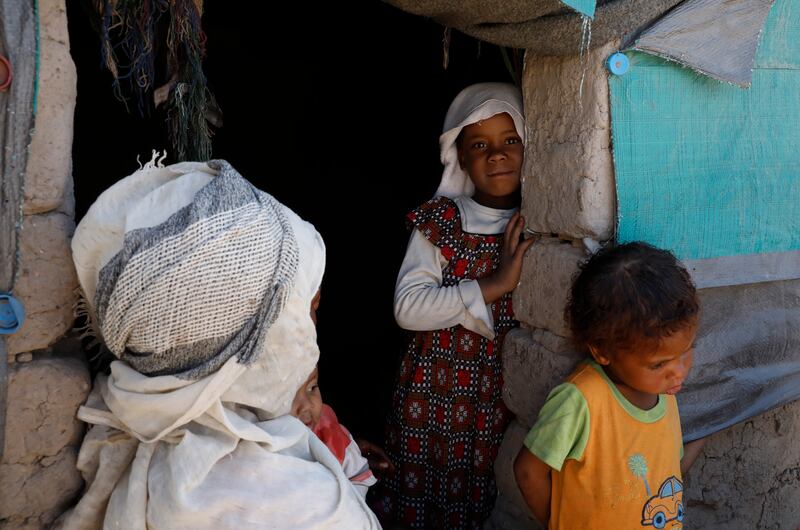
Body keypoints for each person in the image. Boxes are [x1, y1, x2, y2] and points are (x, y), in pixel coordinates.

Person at [58, 159, 380, 529]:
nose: (312, 329)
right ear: (256, 341)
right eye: (306, 306)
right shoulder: (316, 509)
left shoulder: (129, 426)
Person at [375, 82, 535, 529]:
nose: (497, 155)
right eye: (479, 145)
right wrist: (493, 285)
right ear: (460, 157)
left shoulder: (542, 221)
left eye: (510, 141)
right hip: (433, 393)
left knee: (484, 496)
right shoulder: (441, 221)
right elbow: (408, 308)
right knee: (422, 495)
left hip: (498, 397)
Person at [514, 242, 706, 529]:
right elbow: (529, 472)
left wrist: (707, 430)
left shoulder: (664, 395)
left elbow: (664, 475)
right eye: (658, 364)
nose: (678, 372)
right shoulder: (582, 401)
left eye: (686, 352)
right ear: (602, 351)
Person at [291, 364, 394, 498]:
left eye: (312, 387)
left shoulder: (330, 434)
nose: (307, 405)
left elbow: (357, 479)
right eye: (288, 394)